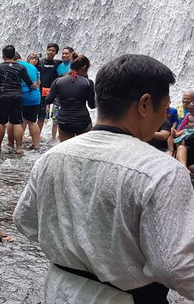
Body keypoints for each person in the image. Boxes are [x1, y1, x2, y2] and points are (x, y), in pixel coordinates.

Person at [14, 54, 194, 304]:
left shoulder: (52, 157)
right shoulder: (162, 171)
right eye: (164, 109)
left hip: (59, 291)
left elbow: (25, 220)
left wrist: (75, 250)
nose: (164, 117)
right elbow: (174, 265)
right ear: (144, 104)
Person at [0, 45, 35, 154]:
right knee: (16, 122)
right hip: (17, 96)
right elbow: (29, 82)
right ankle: (19, 148)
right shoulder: (21, 67)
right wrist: (34, 86)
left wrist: (0, 90)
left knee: (1, 122)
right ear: (14, 55)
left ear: (3, 55)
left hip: (4, 96)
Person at [45, 55, 95, 141]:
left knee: (65, 150)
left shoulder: (58, 81)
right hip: (82, 120)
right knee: (84, 150)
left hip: (64, 120)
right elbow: (92, 105)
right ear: (84, 67)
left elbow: (49, 100)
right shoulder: (88, 82)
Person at [15, 52, 41, 149]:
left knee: (18, 120)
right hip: (35, 96)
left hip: (22, 96)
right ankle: (36, 143)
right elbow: (38, 83)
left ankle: (18, 143)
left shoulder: (16, 66)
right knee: (32, 121)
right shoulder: (33, 68)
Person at [37, 43, 61, 132]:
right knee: (34, 113)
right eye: (49, 50)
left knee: (43, 115)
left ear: (56, 53)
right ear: (47, 51)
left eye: (53, 51)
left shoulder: (58, 63)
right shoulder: (40, 62)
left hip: (50, 92)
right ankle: (31, 133)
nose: (51, 52)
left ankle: (38, 133)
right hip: (38, 91)